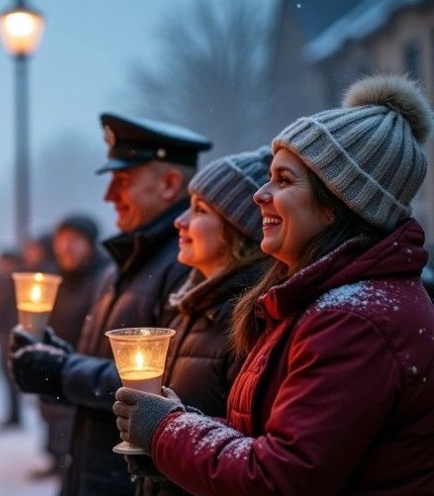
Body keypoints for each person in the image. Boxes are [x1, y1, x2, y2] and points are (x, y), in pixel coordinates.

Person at [114, 74, 434, 495]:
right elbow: (273, 438)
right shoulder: (321, 301)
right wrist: (181, 429)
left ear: (337, 204)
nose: (260, 195)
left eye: (284, 180)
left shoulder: (353, 319)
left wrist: (168, 431)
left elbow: (281, 477)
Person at [10, 112, 211, 495]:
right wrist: (53, 354)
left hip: (130, 479)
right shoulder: (131, 259)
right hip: (101, 471)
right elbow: (110, 361)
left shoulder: (185, 263)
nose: (108, 197)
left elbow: (163, 386)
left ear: (170, 183)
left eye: (122, 181)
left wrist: (63, 372)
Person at [128, 147, 272, 495]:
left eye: (200, 210)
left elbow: (249, 451)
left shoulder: (248, 319)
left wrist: (166, 435)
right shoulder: (189, 304)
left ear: (237, 230)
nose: (181, 220)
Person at [32, 214, 109, 480]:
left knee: (76, 443)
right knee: (53, 421)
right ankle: (57, 462)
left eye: (74, 240)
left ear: (89, 243)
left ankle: (65, 466)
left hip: (86, 375)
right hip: (55, 369)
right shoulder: (55, 279)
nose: (66, 247)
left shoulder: (104, 280)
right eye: (61, 240)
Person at [0, 250, 25, 431]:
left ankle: (15, 416)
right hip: (8, 332)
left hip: (11, 333)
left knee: (11, 375)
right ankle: (13, 415)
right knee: (8, 375)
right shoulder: (8, 280)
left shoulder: (14, 281)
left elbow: (4, 308)